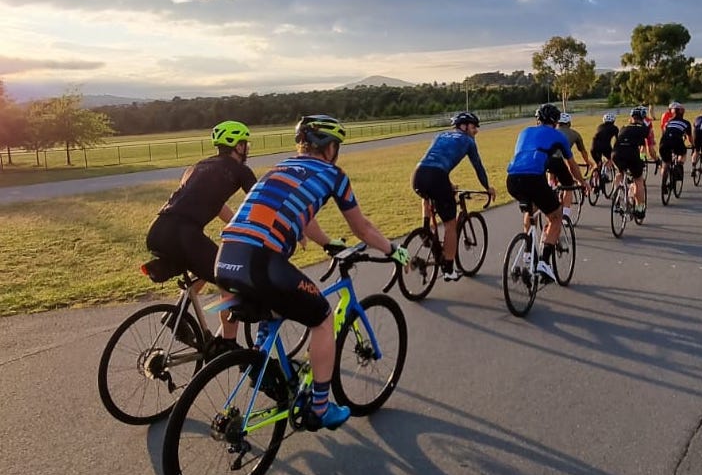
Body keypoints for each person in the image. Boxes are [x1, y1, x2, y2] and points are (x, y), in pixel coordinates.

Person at [214, 114, 409, 432]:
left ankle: (262, 367)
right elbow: (362, 228)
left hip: (226, 257)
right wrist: (393, 250)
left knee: (275, 303)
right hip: (262, 260)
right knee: (321, 317)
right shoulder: (333, 174)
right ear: (329, 148)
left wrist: (328, 243)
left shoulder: (279, 168)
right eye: (337, 145)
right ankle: (319, 408)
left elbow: (301, 217)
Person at [145, 120, 256, 354]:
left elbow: (213, 204)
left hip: (158, 230)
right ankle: (227, 344)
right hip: (184, 234)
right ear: (238, 146)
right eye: (245, 144)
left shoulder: (198, 167)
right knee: (229, 276)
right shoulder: (240, 170)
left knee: (205, 266)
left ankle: (175, 314)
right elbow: (260, 200)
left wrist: (238, 223)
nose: (247, 148)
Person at [506, 104, 588, 282]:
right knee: (556, 216)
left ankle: (529, 252)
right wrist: (582, 183)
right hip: (534, 178)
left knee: (531, 210)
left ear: (538, 119)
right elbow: (571, 165)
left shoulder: (524, 132)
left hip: (512, 179)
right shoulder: (558, 135)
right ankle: (544, 261)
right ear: (556, 121)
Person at [411, 111, 496, 282]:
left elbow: (436, 161)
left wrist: (448, 184)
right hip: (437, 176)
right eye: (474, 127)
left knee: (427, 195)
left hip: (418, 174)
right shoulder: (468, 141)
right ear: (464, 127)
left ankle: (426, 229)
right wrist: (487, 187)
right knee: (450, 224)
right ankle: (449, 269)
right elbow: (478, 166)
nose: (476, 131)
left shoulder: (441, 135)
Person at [551, 112, 592, 218]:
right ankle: (565, 215)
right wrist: (588, 162)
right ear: (569, 123)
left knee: (551, 177)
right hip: (560, 161)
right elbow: (582, 151)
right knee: (569, 186)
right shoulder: (575, 134)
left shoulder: (552, 132)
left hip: (546, 161)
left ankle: (551, 186)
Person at [611, 108, 649, 219]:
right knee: (638, 180)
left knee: (620, 173)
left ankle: (616, 193)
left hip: (616, 153)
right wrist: (644, 158)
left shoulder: (623, 127)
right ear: (642, 118)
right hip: (631, 153)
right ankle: (639, 208)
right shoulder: (644, 129)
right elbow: (648, 146)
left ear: (632, 118)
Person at [659, 102, 693, 188]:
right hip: (677, 140)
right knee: (683, 153)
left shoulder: (668, 122)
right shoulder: (686, 123)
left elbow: (664, 131)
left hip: (664, 142)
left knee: (666, 163)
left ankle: (663, 183)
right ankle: (679, 165)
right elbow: (690, 137)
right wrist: (693, 145)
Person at [590, 112, 618, 182]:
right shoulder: (614, 128)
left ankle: (594, 183)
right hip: (605, 146)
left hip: (594, 145)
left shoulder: (599, 126)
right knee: (612, 159)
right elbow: (617, 140)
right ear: (613, 121)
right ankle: (605, 171)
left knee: (598, 164)